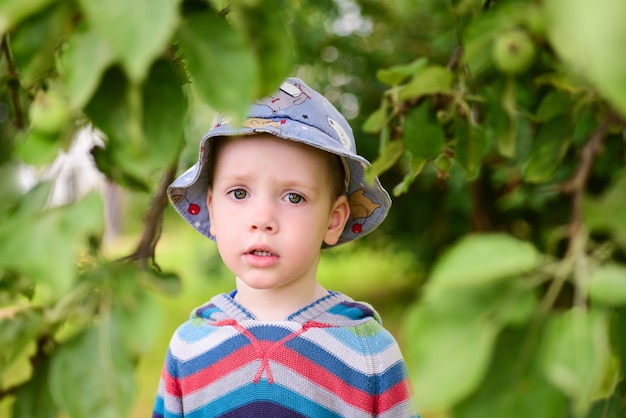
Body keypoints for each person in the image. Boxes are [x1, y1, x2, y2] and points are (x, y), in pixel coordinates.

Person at [152, 77, 418, 417]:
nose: (262, 219)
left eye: (294, 197)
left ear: (333, 220)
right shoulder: (189, 348)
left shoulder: (369, 354)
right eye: (239, 193)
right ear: (212, 210)